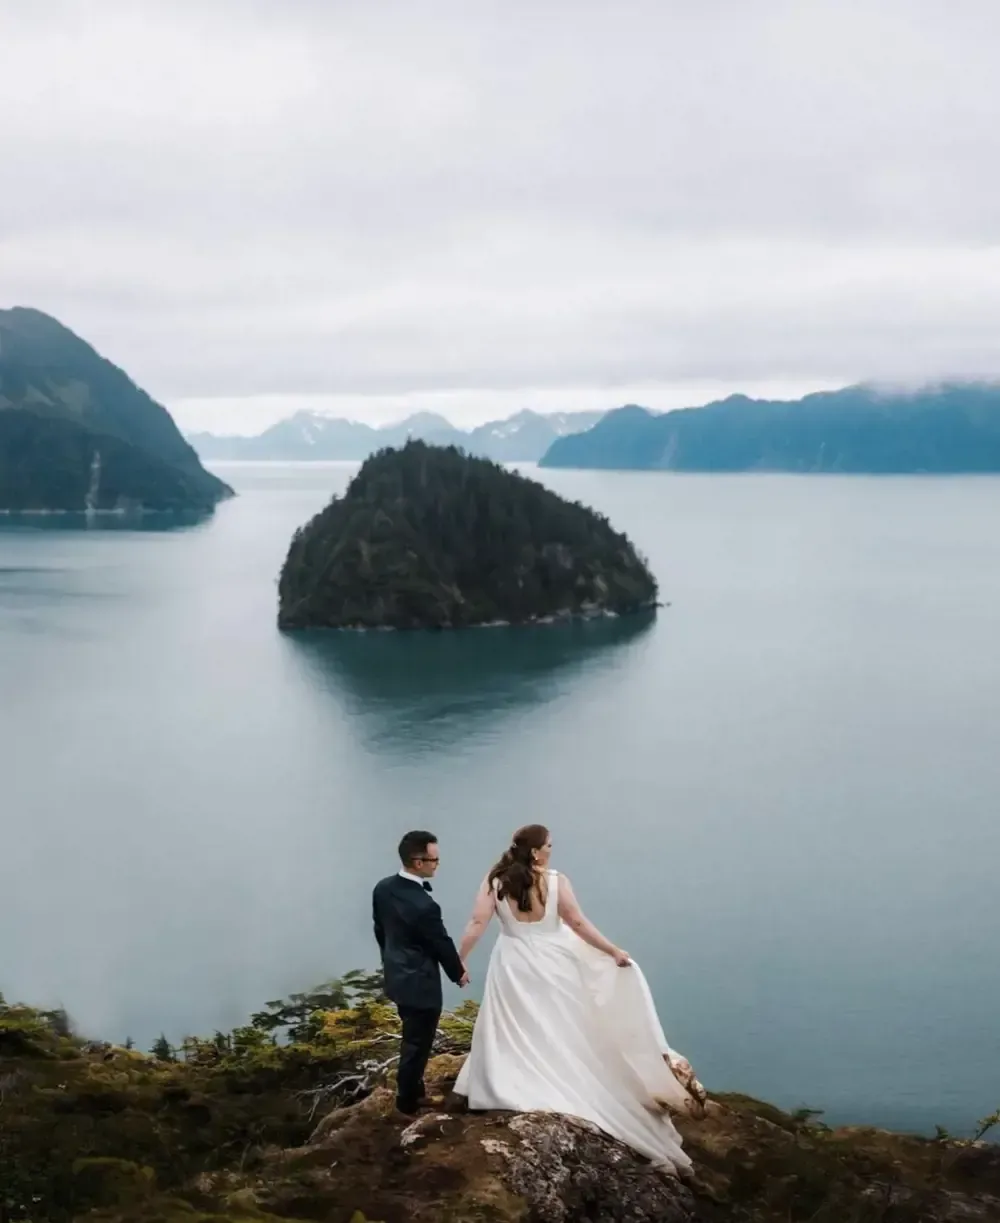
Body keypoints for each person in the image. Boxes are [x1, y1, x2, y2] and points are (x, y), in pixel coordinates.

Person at [452, 824, 696, 1173]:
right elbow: (577, 923)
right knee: (558, 1024)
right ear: (535, 851)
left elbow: (477, 922)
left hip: (512, 962)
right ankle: (560, 1074)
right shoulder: (555, 881)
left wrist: (460, 959)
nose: (552, 849)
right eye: (548, 845)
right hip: (554, 962)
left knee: (512, 1022)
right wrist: (613, 951)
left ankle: (511, 1076)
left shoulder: (496, 880)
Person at [373, 830, 469, 1116]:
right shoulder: (425, 905)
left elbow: (381, 930)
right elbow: (440, 942)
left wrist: (390, 960)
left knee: (412, 1037)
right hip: (420, 984)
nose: (437, 864)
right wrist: (458, 972)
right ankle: (408, 1100)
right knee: (418, 1042)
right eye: (434, 860)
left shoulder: (383, 888)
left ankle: (412, 1092)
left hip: (396, 975)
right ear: (417, 862)